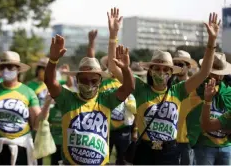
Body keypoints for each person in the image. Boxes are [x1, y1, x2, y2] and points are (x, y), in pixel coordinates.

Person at [107, 7, 221, 165]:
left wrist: (211, 41)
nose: (161, 73)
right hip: (145, 152)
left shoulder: (179, 90)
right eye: (157, 69)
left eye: (165, 69)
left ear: (171, 72)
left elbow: (204, 72)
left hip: (170, 152)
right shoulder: (140, 88)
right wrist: (113, 35)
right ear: (150, 70)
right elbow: (113, 68)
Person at [44, 34, 135, 165]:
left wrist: (126, 69)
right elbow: (50, 81)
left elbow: (129, 87)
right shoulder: (67, 99)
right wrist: (53, 60)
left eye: (94, 80)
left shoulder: (106, 99)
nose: (89, 85)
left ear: (100, 81)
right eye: (84, 80)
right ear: (77, 80)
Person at [88, 29, 137, 165]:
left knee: (123, 160)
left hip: (124, 129)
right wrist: (92, 42)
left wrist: (135, 129)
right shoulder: (102, 80)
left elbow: (135, 105)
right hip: (105, 128)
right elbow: (90, 62)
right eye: (112, 62)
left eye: (117, 62)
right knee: (103, 159)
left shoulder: (125, 81)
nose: (115, 65)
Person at [188, 52, 231, 165]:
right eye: (214, 73)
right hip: (203, 146)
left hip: (226, 146)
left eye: (220, 73)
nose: (217, 76)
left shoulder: (229, 92)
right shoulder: (196, 89)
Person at [172, 50, 198, 165]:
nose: (178, 67)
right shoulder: (168, 86)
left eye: (181, 64)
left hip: (188, 139)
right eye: (175, 64)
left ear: (188, 66)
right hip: (170, 138)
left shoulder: (197, 88)